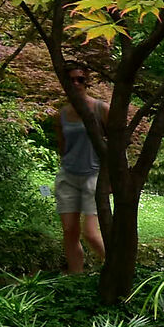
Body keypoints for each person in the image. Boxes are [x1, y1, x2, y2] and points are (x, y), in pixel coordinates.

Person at [43, 61, 106, 274]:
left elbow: (117, 143)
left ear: (87, 81)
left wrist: (113, 177)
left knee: (91, 233)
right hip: (68, 176)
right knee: (70, 231)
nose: (76, 83)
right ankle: (75, 280)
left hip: (94, 175)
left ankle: (118, 268)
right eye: (71, 80)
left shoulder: (100, 109)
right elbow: (63, 146)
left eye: (80, 79)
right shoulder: (61, 115)